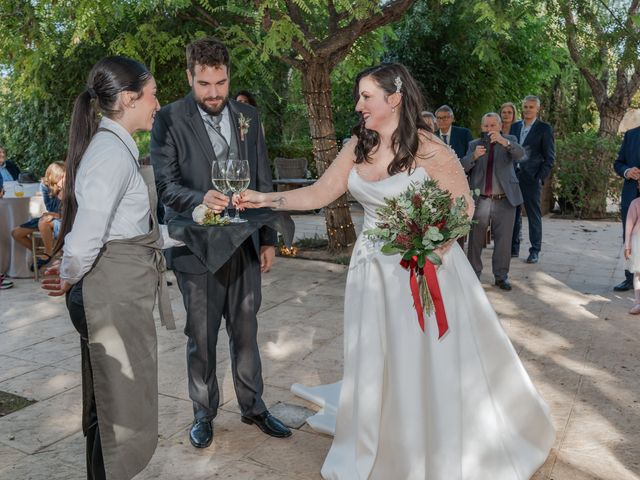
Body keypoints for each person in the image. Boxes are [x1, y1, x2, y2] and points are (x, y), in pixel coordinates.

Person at [237, 63, 555, 480]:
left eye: (366, 96)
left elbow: (463, 207)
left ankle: (430, 441)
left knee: (425, 355)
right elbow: (318, 192)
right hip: (372, 272)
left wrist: (430, 244)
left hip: (426, 268)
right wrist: (262, 199)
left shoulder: (428, 147)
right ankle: (380, 435)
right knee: (378, 356)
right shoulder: (357, 145)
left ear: (394, 98)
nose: (358, 105)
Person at [151, 37, 290, 449]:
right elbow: (165, 185)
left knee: (246, 329)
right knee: (202, 334)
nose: (213, 93)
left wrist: (267, 237)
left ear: (230, 76)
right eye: (204, 84)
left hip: (245, 241)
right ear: (189, 76)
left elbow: (263, 178)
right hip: (195, 246)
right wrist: (198, 200)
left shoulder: (248, 116)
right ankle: (203, 412)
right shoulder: (169, 119)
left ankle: (254, 407)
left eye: (221, 83)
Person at [41, 56, 174, 480]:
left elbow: (127, 228)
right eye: (153, 95)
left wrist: (193, 231)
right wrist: (67, 275)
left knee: (112, 399)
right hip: (108, 296)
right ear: (131, 98)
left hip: (119, 290)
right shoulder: (110, 153)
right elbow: (87, 237)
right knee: (115, 405)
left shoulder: (116, 146)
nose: (158, 104)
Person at [462, 113, 524, 291]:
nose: (489, 130)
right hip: (481, 200)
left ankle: (501, 276)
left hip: (504, 200)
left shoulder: (509, 140)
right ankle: (473, 275)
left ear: (499, 127)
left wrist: (504, 142)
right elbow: (462, 167)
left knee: (504, 241)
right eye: (486, 126)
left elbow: (521, 154)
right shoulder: (474, 144)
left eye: (492, 126)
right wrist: (473, 156)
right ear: (481, 128)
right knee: (475, 240)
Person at [509, 95, 555, 263]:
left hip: (532, 178)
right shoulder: (514, 127)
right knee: (513, 214)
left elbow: (549, 157)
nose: (528, 110)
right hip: (513, 177)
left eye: (531, 107)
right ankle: (513, 248)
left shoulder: (544, 128)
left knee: (533, 216)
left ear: (537, 109)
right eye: (526, 107)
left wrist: (539, 177)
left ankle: (535, 250)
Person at [11, 161, 65, 270]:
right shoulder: (45, 186)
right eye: (63, 176)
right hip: (52, 218)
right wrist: (54, 212)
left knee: (44, 221)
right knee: (16, 233)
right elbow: (50, 207)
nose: (66, 178)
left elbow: (72, 212)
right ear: (55, 176)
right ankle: (47, 255)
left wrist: (62, 194)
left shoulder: (70, 186)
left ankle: (48, 254)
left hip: (64, 220)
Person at [613, 126, 640, 291]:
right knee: (629, 236)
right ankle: (630, 278)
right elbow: (618, 163)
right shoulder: (631, 135)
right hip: (631, 197)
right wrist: (627, 171)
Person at [624, 190, 640, 312]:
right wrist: (627, 246)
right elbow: (629, 226)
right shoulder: (636, 203)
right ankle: (637, 303)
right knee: (638, 273)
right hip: (638, 242)